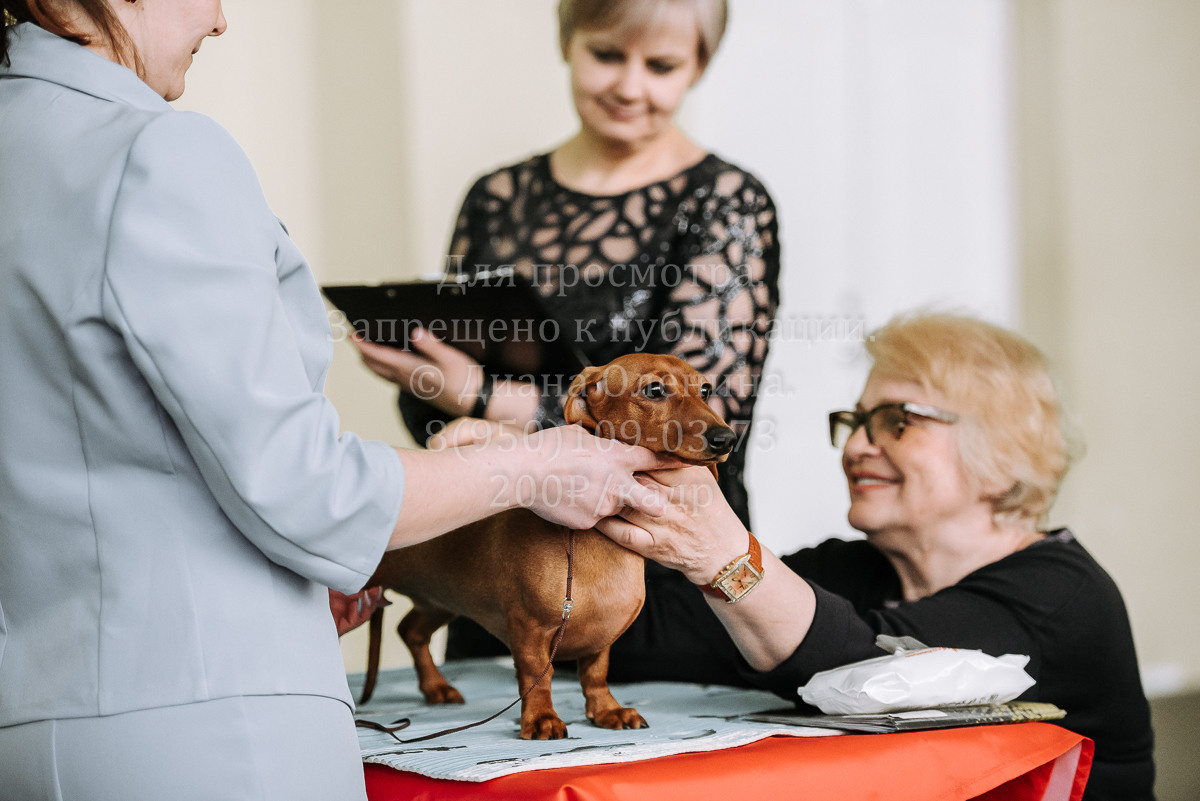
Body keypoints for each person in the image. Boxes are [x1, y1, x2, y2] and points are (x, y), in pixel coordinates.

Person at [0, 4, 673, 800]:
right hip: (207, 731)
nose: (218, 19)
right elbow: (304, 490)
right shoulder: (157, 151)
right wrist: (536, 465)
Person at [352, 0, 781, 658]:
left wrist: (480, 397)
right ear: (567, 42)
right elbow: (440, 426)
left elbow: (694, 430)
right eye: (607, 54)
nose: (630, 86)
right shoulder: (496, 198)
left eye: (661, 65)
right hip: (503, 572)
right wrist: (430, 381)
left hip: (658, 575)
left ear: (698, 67)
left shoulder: (727, 203)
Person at [597, 312, 1155, 801]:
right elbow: (648, 638)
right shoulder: (853, 569)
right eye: (856, 422)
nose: (858, 446)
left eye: (898, 421)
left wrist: (720, 552)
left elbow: (874, 677)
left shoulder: (1060, 595)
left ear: (1007, 451)